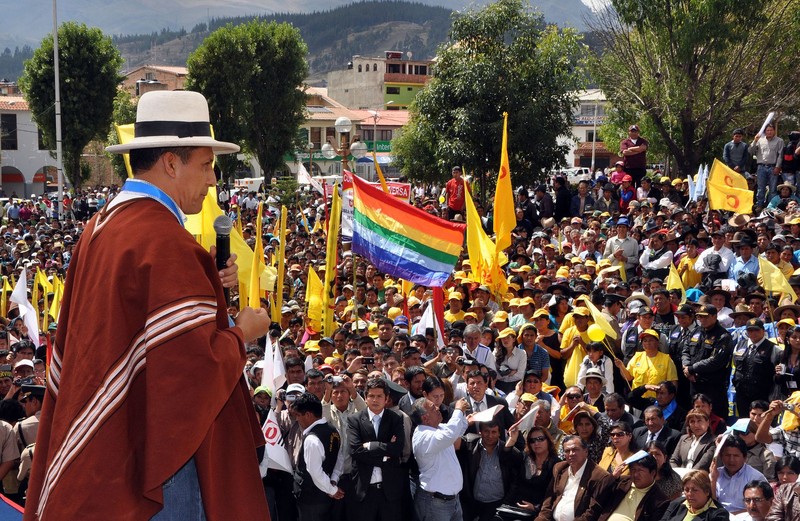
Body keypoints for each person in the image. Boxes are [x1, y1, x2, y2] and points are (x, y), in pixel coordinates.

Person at [26, 91, 272, 520]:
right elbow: (188, 377)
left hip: (112, 445)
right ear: (172, 164)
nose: (213, 180)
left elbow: (127, 325)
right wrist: (242, 332)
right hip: (158, 467)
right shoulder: (165, 241)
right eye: (206, 164)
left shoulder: (100, 226)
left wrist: (205, 285)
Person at [347, 378, 406, 521]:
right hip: (364, 490)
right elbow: (355, 450)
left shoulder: (395, 418)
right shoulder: (355, 420)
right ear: (366, 397)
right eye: (371, 396)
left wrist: (372, 446)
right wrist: (385, 455)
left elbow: (398, 449)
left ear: (386, 399)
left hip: (389, 491)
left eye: (379, 396)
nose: (375, 400)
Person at [410, 396, 469, 521]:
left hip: (453, 500)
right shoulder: (423, 436)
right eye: (433, 408)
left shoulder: (439, 428)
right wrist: (458, 410)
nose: (438, 408)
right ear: (425, 418)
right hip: (435, 503)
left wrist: (463, 414)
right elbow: (450, 434)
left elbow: (458, 430)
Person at [533, 435, 614, 521]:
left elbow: (593, 512)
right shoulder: (559, 468)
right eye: (567, 451)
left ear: (586, 451)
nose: (571, 454)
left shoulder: (600, 477)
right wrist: (542, 518)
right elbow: (548, 500)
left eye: (575, 450)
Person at [291, 392, 345, 521]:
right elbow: (340, 459)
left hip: (311, 500)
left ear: (308, 414)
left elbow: (315, 472)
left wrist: (332, 490)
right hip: (325, 496)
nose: (297, 419)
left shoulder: (312, 439)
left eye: (298, 415)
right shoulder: (333, 430)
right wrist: (333, 480)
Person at [458, 420, 521, 521]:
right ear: (480, 432)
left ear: (499, 433)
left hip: (496, 504)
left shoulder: (510, 452)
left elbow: (515, 481)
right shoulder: (470, 444)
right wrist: (465, 423)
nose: (490, 435)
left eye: (494, 432)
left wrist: (506, 502)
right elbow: (451, 440)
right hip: (471, 502)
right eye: (486, 431)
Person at [682, 304, 734, 420]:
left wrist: (692, 368)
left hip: (713, 386)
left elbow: (716, 360)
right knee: (695, 417)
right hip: (694, 383)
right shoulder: (696, 331)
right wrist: (686, 367)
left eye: (705, 317)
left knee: (715, 418)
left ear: (714, 316)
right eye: (700, 317)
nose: (702, 320)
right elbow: (685, 350)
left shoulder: (723, 336)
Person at [504, 425, 561, 516]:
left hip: (539, 512)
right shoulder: (524, 457)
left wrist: (535, 507)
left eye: (540, 439)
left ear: (548, 441)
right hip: (514, 507)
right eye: (532, 440)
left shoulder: (556, 464)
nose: (536, 443)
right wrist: (512, 439)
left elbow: (554, 493)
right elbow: (505, 457)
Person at [598, 452, 669, 521]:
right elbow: (599, 496)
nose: (635, 474)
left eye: (640, 470)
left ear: (653, 473)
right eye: (633, 470)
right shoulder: (622, 482)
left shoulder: (660, 501)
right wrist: (613, 478)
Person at [733, 318, 780, 418]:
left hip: (762, 395)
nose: (753, 333)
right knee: (744, 423)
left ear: (763, 330)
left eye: (757, 330)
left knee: (760, 423)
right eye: (750, 330)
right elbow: (735, 365)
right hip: (742, 394)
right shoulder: (739, 345)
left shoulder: (773, 348)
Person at [713, 436, 768, 514]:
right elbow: (710, 504)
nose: (731, 460)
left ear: (745, 457)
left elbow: (765, 506)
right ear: (721, 457)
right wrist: (712, 480)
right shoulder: (715, 475)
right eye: (727, 455)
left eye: (736, 456)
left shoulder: (755, 477)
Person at [660, 470, 729, 521]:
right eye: (686, 490)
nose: (690, 494)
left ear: (707, 491)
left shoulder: (719, 515)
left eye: (695, 490)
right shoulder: (677, 504)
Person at [749, 123, 784, 209]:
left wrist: (777, 166)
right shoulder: (760, 140)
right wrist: (754, 141)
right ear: (765, 131)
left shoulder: (779, 141)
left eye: (771, 130)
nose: (769, 132)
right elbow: (750, 151)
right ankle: (759, 205)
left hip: (773, 167)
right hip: (761, 167)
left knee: (772, 189)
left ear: (774, 131)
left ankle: (770, 207)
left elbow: (780, 155)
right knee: (761, 188)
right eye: (767, 130)